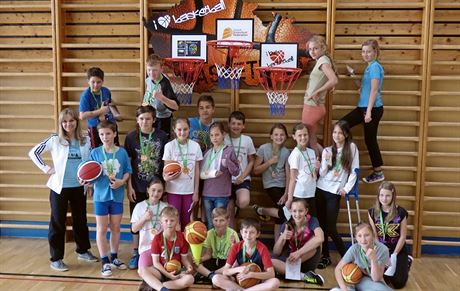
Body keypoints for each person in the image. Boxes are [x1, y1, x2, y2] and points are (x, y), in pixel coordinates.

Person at [29, 108, 98, 271]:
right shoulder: (55, 139)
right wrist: (46, 168)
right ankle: (56, 258)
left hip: (79, 187)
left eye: (71, 120)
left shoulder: (85, 139)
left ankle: (83, 250)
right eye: (65, 121)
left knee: (80, 220)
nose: (68, 124)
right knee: (58, 222)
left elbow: (89, 163)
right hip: (59, 188)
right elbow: (33, 153)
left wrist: (88, 183)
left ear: (76, 121)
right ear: (61, 124)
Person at [125, 105, 168, 269]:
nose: (145, 121)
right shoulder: (131, 138)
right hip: (137, 186)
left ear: (154, 120)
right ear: (137, 120)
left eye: (148, 118)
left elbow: (165, 162)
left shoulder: (162, 136)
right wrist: (129, 186)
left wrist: (164, 186)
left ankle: (160, 249)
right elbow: (128, 164)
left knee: (157, 218)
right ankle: (136, 252)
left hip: (156, 187)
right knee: (137, 220)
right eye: (141, 118)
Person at [90, 120, 132, 276]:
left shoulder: (121, 152)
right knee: (101, 229)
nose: (105, 137)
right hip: (100, 197)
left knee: (115, 228)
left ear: (114, 134)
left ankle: (114, 257)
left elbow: (128, 171)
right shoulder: (95, 153)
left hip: (117, 196)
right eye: (101, 134)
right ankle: (104, 261)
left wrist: (122, 181)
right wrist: (86, 180)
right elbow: (89, 173)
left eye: (108, 133)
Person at [315, 120, 359, 269]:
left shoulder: (351, 148)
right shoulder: (327, 150)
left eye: (340, 132)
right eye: (335, 132)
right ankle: (325, 256)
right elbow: (321, 173)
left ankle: (347, 257)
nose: (337, 135)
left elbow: (354, 171)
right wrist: (323, 164)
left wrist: (346, 188)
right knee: (322, 226)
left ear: (346, 134)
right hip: (320, 189)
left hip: (334, 193)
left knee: (331, 227)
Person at [341, 39, 384, 184]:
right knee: (341, 126)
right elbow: (363, 89)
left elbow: (374, 90)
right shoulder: (369, 68)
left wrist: (369, 112)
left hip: (371, 108)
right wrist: (353, 75)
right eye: (363, 51)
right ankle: (343, 158)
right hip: (363, 108)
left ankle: (378, 172)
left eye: (368, 51)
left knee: (370, 140)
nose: (365, 54)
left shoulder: (375, 67)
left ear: (375, 52)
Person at [212, 218, 280, 291]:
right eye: (245, 232)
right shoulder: (236, 247)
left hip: (257, 281)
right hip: (239, 280)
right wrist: (238, 269)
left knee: (275, 282)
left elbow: (271, 273)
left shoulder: (262, 248)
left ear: (258, 234)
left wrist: (251, 274)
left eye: (252, 232)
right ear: (241, 232)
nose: (248, 235)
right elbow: (225, 271)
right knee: (216, 279)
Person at [272, 198, 324, 286]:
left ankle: (286, 272)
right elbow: (276, 252)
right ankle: (304, 276)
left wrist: (298, 253)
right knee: (271, 261)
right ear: (290, 211)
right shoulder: (287, 225)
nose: (297, 214)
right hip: (290, 260)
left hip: (306, 260)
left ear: (306, 211)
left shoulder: (312, 220)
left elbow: (320, 238)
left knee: (315, 244)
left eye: (300, 211)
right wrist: (282, 237)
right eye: (294, 211)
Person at [141, 206, 194, 291]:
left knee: (190, 279)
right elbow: (156, 263)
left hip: (177, 271)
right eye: (166, 221)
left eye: (172, 220)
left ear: (177, 221)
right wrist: (168, 275)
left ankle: (159, 285)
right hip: (161, 271)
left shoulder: (182, 237)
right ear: (161, 222)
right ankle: (163, 289)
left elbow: (184, 259)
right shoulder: (157, 239)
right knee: (142, 270)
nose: (169, 223)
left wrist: (188, 266)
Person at [368, 182, 410, 289]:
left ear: (393, 196)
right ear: (378, 196)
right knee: (383, 279)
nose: (384, 199)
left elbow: (403, 236)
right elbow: (375, 237)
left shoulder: (401, 212)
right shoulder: (372, 212)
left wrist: (394, 255)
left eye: (387, 196)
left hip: (398, 250)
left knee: (398, 283)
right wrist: (382, 253)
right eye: (381, 195)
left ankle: (407, 262)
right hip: (382, 249)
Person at [302, 35, 338, 157]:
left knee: (307, 139)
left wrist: (317, 91)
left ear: (323, 48)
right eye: (310, 49)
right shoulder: (321, 61)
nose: (312, 52)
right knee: (310, 139)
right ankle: (324, 163)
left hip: (313, 106)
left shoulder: (323, 61)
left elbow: (333, 80)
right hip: (314, 105)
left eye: (315, 48)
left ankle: (320, 167)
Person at [163, 118, 203, 229]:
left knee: (186, 220)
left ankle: (184, 246)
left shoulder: (195, 146)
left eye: (185, 129)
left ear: (189, 129)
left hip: (189, 191)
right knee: (174, 220)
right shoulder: (169, 146)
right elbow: (166, 170)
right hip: (173, 190)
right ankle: (174, 245)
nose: (182, 132)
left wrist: (196, 192)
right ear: (174, 130)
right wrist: (166, 177)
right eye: (179, 129)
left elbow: (197, 171)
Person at [252, 123, 290, 239]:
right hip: (271, 185)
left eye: (282, 135)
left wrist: (286, 193)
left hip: (283, 186)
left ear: (286, 136)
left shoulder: (286, 152)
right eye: (276, 134)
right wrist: (269, 162)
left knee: (279, 216)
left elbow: (289, 175)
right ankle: (261, 210)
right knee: (285, 214)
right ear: (271, 136)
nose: (279, 137)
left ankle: (276, 246)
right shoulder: (264, 148)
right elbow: (255, 170)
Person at [200, 122, 240, 229]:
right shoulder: (207, 152)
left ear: (223, 134)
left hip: (222, 194)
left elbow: (236, 172)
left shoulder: (229, 151)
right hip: (207, 193)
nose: (214, 138)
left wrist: (228, 163)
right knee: (210, 224)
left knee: (220, 224)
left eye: (217, 135)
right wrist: (212, 173)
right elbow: (201, 174)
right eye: (212, 135)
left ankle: (221, 245)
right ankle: (211, 246)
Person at [331, 222, 392, 291]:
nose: (363, 239)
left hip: (375, 281)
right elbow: (338, 269)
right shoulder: (354, 249)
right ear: (356, 237)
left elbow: (376, 278)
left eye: (366, 235)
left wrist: (373, 259)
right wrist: (343, 288)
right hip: (358, 279)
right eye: (359, 236)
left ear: (373, 235)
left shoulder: (383, 250)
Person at [131, 178, 169, 289]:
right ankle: (162, 286)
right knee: (142, 272)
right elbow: (134, 229)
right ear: (147, 190)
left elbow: (173, 230)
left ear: (163, 192)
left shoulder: (165, 207)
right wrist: (144, 218)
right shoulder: (139, 206)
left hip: (163, 249)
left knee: (159, 274)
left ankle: (161, 285)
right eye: (153, 190)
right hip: (146, 248)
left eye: (159, 191)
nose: (156, 193)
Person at [224, 111, 256, 228]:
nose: (235, 126)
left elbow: (252, 160)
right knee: (229, 212)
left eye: (239, 124)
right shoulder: (224, 139)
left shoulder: (247, 140)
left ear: (243, 126)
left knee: (243, 202)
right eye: (233, 123)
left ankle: (236, 204)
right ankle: (233, 241)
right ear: (228, 124)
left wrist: (242, 177)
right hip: (226, 180)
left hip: (242, 178)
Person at [79, 67, 121, 148]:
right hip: (95, 127)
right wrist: (100, 111)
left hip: (109, 125)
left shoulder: (106, 91)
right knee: (97, 150)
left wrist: (116, 113)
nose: (95, 85)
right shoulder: (86, 95)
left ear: (103, 81)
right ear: (88, 81)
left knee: (114, 148)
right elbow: (82, 115)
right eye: (93, 82)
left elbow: (110, 102)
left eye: (98, 82)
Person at [195, 207, 239, 281]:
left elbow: (234, 257)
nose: (218, 223)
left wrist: (233, 244)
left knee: (231, 268)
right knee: (195, 263)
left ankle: (209, 275)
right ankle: (212, 276)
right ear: (212, 221)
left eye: (222, 220)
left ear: (228, 221)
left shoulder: (233, 234)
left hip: (226, 263)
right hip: (213, 261)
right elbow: (208, 255)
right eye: (216, 220)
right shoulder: (209, 233)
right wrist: (198, 260)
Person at [286, 123, 320, 216]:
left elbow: (313, 173)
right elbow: (292, 179)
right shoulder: (295, 154)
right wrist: (289, 199)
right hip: (300, 194)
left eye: (305, 135)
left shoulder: (311, 152)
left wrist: (317, 167)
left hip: (311, 193)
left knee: (312, 219)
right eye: (300, 135)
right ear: (294, 137)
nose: (303, 138)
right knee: (301, 222)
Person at [142, 54, 179, 136]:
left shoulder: (165, 84)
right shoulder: (148, 80)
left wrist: (162, 98)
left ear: (161, 69)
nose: (151, 73)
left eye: (155, 70)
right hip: (151, 117)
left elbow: (176, 106)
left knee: (162, 142)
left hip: (163, 119)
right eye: (149, 70)